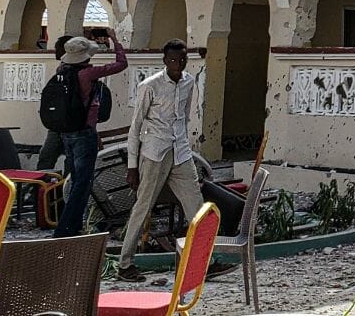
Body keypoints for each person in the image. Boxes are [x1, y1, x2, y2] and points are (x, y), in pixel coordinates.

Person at [118, 40, 234, 281]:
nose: (177, 65)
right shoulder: (150, 86)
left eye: (182, 60)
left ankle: (204, 263)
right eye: (173, 60)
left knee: (197, 208)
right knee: (143, 207)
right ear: (164, 60)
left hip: (180, 152)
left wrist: (186, 146)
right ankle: (125, 264)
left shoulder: (189, 82)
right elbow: (136, 127)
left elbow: (184, 118)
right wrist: (132, 166)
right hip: (153, 153)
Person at [53, 33, 127, 238]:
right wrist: (115, 41)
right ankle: (66, 228)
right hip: (85, 132)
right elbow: (121, 64)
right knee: (82, 183)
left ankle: (72, 224)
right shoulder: (88, 74)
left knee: (77, 179)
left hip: (67, 132)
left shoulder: (62, 71)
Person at [35, 35, 73, 172]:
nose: (55, 51)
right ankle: (42, 188)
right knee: (46, 156)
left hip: (71, 123)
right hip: (57, 123)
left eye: (58, 48)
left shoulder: (74, 71)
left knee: (69, 160)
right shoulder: (62, 69)